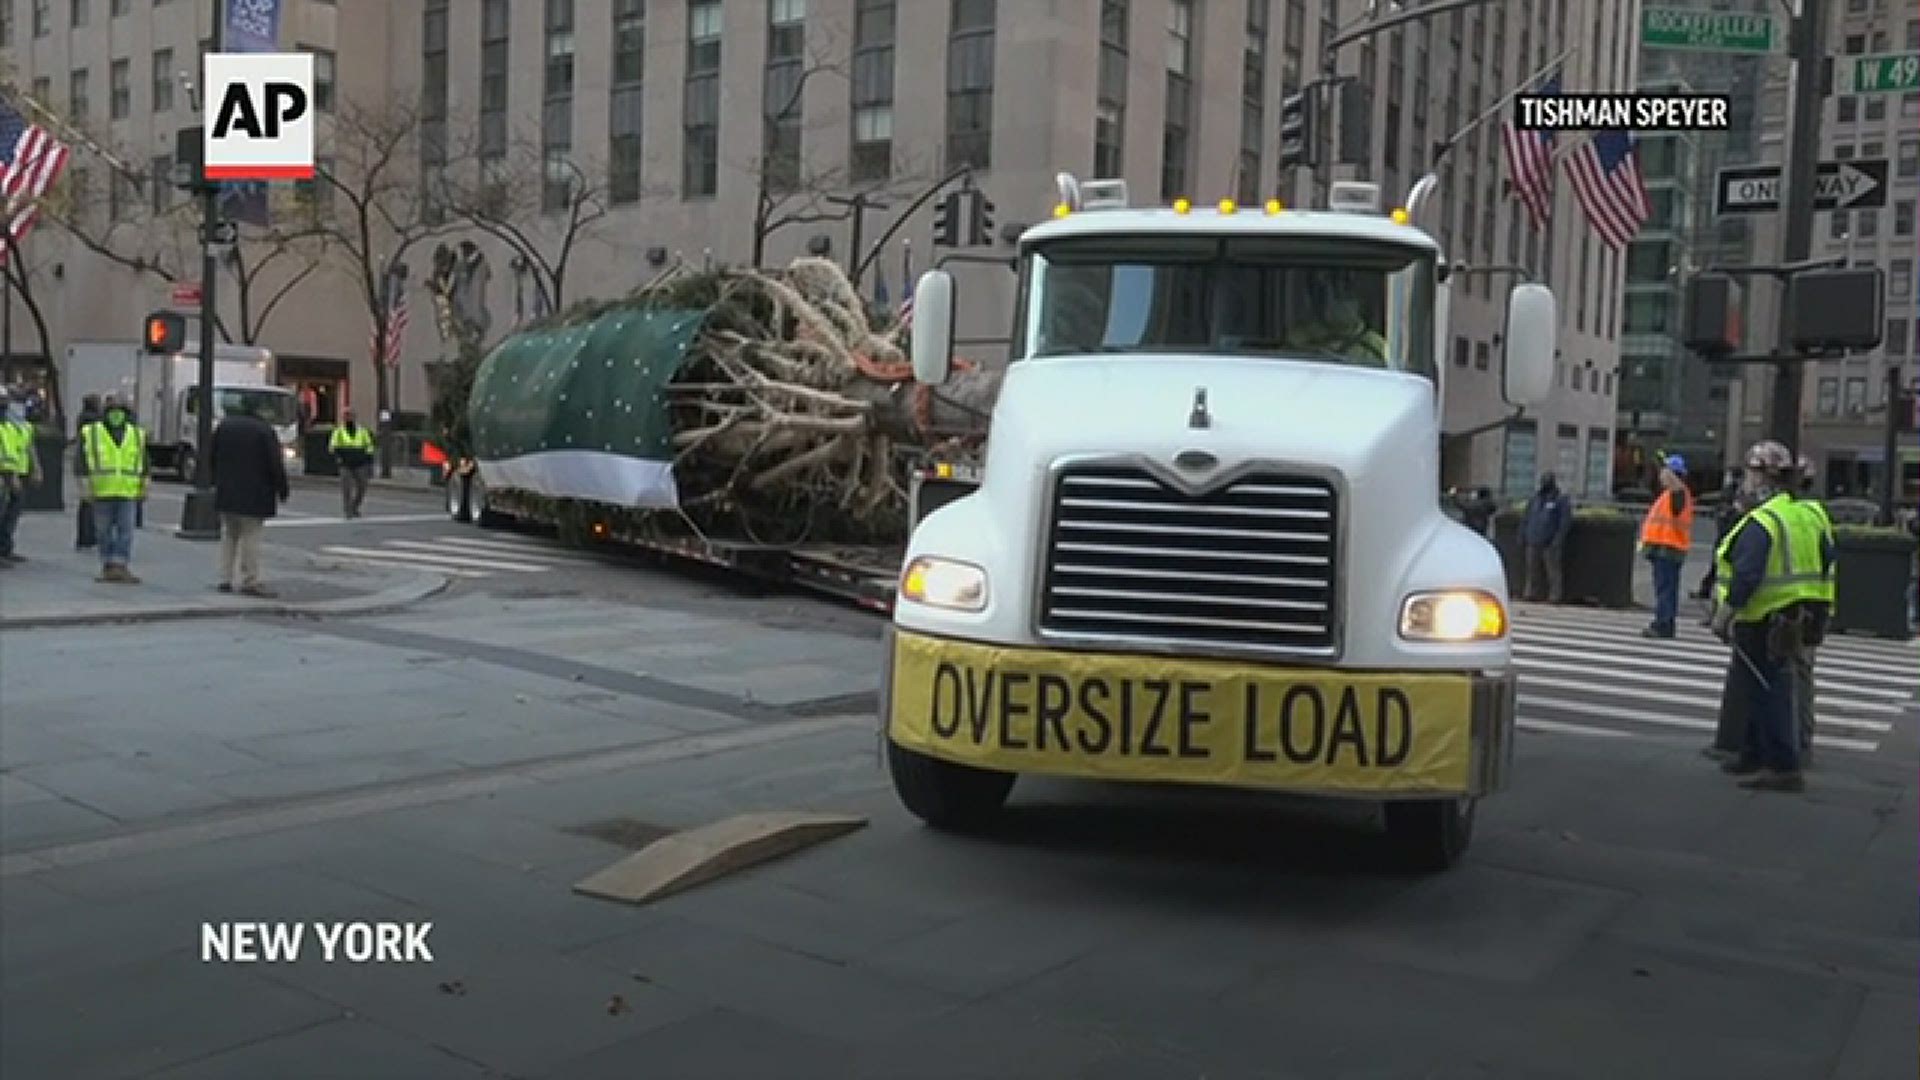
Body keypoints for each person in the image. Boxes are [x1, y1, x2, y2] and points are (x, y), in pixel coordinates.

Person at [1704, 440, 1832, 793]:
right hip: (1796, 613)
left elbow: (1747, 574)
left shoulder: (1763, 521)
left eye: (1749, 473)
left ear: (1761, 477)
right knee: (1766, 685)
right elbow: (1826, 560)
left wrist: (1724, 614)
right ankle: (1754, 753)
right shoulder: (1807, 514)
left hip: (1764, 615)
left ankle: (1782, 764)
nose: (1744, 481)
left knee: (1769, 689)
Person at [210, 396, 291, 597]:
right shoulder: (264, 430)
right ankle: (250, 579)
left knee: (229, 535)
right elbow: (275, 463)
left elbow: (212, 455)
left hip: (227, 490)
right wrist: (282, 488)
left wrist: (217, 480)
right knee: (251, 536)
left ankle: (224, 578)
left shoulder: (224, 426)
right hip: (256, 492)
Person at [1789, 455, 1836, 764]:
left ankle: (1794, 746)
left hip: (1795, 606)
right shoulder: (1818, 513)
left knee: (1791, 676)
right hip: (1815, 605)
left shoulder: (1793, 514)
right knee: (1802, 676)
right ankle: (1802, 742)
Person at [74, 395, 149, 584]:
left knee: (126, 530)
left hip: (127, 490)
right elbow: (81, 462)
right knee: (103, 531)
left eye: (120, 412)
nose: (116, 415)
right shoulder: (91, 433)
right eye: (113, 411)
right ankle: (108, 565)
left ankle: (120, 565)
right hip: (101, 490)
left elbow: (144, 461)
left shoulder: (136, 434)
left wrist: (145, 484)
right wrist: (83, 486)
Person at [1638, 454, 1694, 638]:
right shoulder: (1671, 495)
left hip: (1668, 549)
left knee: (1665, 589)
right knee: (1665, 588)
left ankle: (1663, 623)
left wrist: (1668, 469)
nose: (1661, 475)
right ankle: (1664, 621)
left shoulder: (1678, 494)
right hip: (1665, 549)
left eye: (1664, 472)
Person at [1289, 273, 1388, 365]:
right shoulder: (1298, 340)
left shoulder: (1376, 345)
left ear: (1358, 302)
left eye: (1346, 296)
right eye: (1325, 296)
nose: (1333, 302)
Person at [0, 386, 43, 566]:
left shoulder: (20, 426)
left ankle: (5, 547)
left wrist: (36, 468)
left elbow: (28, 447)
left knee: (12, 512)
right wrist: (9, 475)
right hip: (5, 474)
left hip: (18, 472)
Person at [1693, 468, 1745, 600]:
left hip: (1728, 533)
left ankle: (1708, 591)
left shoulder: (1734, 492)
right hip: (1727, 533)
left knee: (1719, 565)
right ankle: (1706, 590)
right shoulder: (1736, 492)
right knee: (1717, 566)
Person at [1521, 473, 1573, 602]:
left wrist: (1557, 539)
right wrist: (1523, 534)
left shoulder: (1560, 500)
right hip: (1533, 539)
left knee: (1552, 571)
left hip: (1550, 542)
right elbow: (1526, 518)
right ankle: (1531, 593)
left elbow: (1564, 522)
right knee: (1532, 569)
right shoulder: (1535, 499)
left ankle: (1554, 595)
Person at [330, 408, 376, 518]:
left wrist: (368, 460)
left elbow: (369, 446)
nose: (348, 417)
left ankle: (354, 506)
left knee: (362, 487)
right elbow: (333, 446)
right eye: (346, 415)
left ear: (354, 417)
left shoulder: (362, 431)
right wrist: (338, 457)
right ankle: (348, 511)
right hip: (345, 464)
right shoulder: (338, 431)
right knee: (346, 488)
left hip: (360, 463)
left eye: (350, 415)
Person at [72, 394, 102, 550]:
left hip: (83, 466)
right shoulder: (91, 420)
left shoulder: (83, 419)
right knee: (88, 502)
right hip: (86, 466)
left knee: (87, 502)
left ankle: (86, 535)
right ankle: (86, 536)